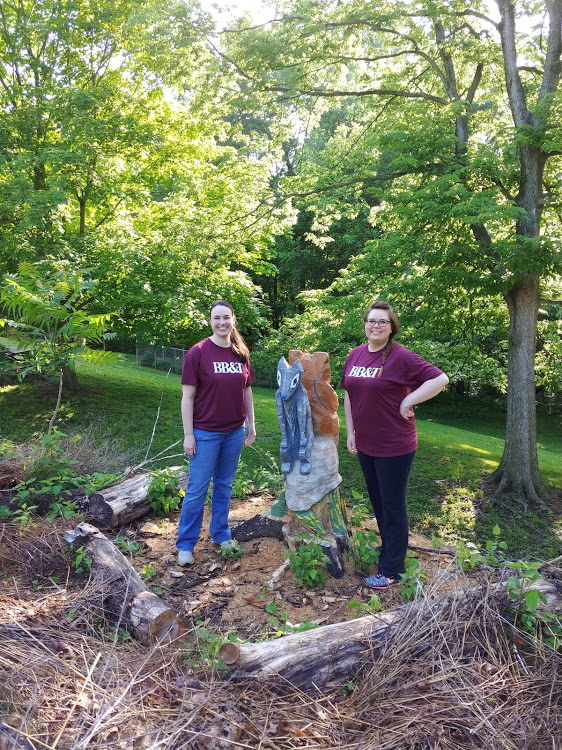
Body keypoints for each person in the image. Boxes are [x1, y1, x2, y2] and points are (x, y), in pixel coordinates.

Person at [340, 301, 449, 589]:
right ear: (364, 324)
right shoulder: (355, 355)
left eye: (383, 322)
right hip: (366, 443)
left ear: (391, 328)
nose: (376, 326)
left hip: (395, 445)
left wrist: (408, 400)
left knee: (392, 505)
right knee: (379, 502)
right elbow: (349, 394)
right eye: (371, 321)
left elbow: (440, 378)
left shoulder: (400, 357)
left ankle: (392, 570)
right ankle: (390, 550)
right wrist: (351, 431)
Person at [176, 300, 256, 565]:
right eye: (216, 318)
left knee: (224, 485)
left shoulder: (240, 352)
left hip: (234, 431)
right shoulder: (198, 352)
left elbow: (247, 390)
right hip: (205, 433)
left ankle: (221, 534)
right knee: (197, 489)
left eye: (226, 318)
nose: (222, 323)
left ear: (233, 320)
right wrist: (189, 435)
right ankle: (186, 545)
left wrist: (251, 424)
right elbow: (187, 397)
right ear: (210, 321)